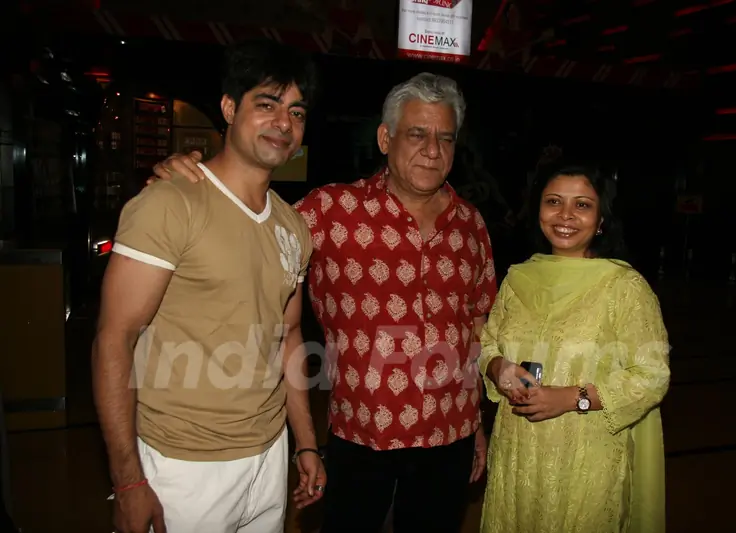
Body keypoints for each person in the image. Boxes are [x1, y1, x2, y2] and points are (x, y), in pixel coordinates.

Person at [151, 72, 496, 533]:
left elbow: (476, 326)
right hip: (360, 436)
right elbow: (250, 223)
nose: (433, 150)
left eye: (445, 138)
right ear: (384, 137)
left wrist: (475, 424)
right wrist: (191, 178)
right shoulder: (332, 211)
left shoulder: (471, 225)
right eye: (417, 134)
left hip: (449, 435)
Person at [92, 40, 326, 533]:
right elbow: (114, 339)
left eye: (296, 112)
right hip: (183, 465)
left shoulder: (294, 227)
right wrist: (129, 480)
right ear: (227, 108)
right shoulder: (170, 204)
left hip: (268, 456)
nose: (284, 124)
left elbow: (287, 337)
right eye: (266, 104)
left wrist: (304, 442)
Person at [478, 163, 670, 533]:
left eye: (582, 205)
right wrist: (498, 366)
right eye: (554, 202)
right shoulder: (518, 278)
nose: (565, 215)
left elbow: (652, 376)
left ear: (601, 219)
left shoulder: (623, 287)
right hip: (517, 452)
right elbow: (487, 342)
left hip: (585, 459)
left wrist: (571, 398)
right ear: (538, 211)